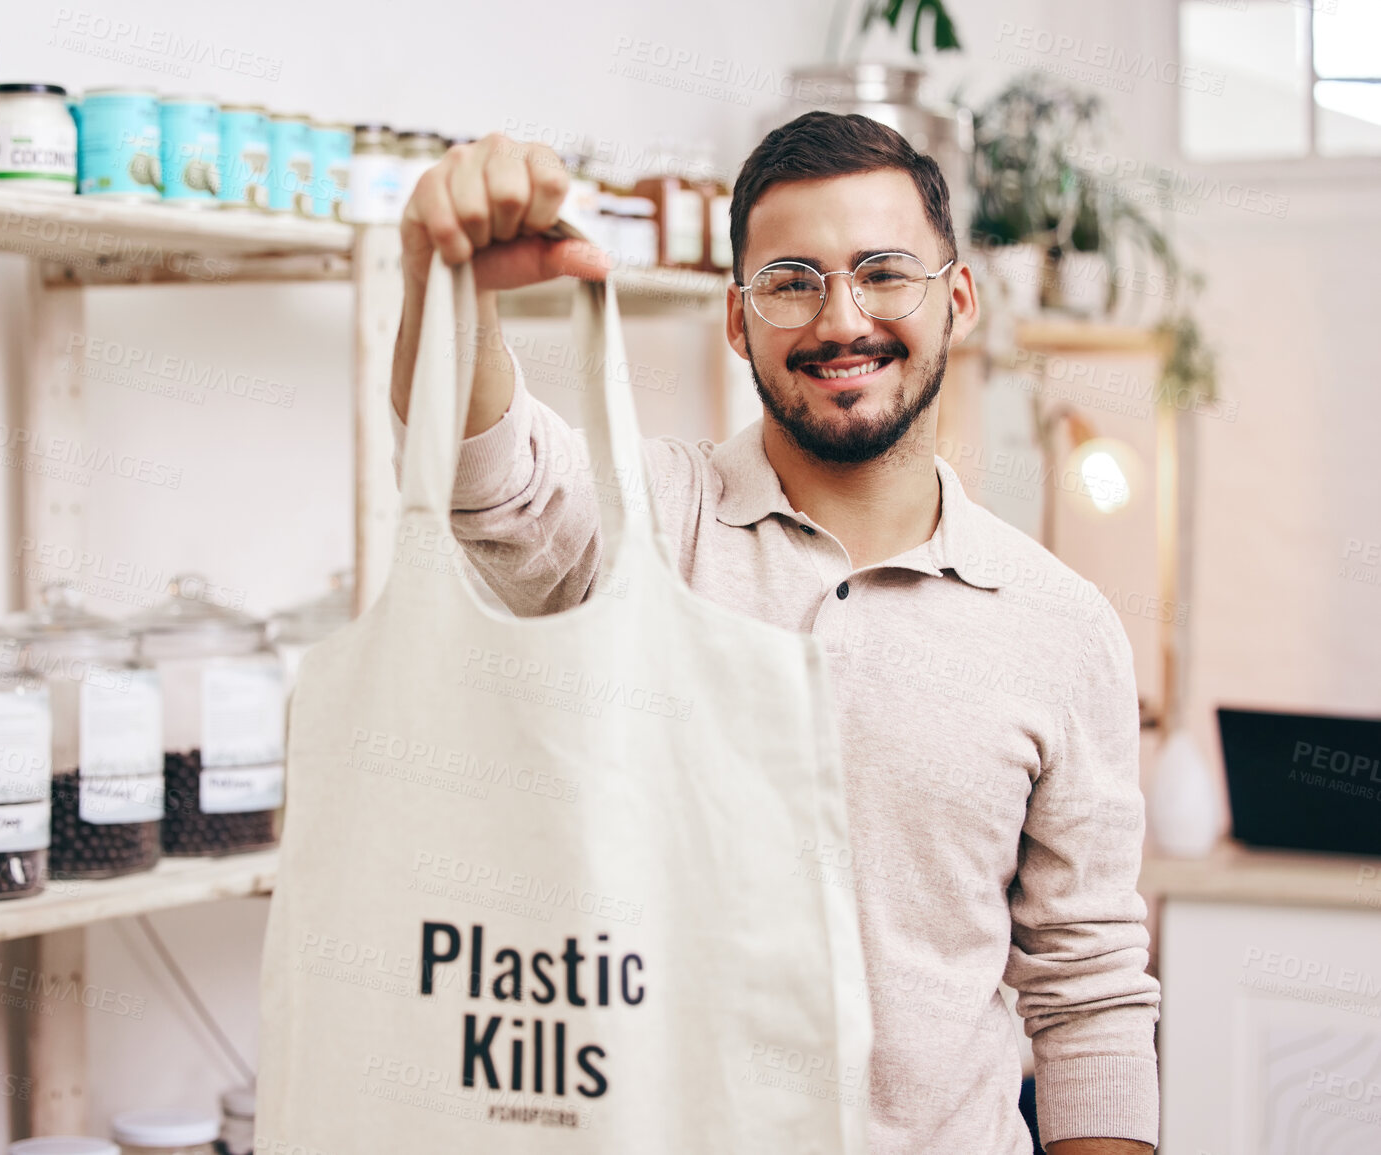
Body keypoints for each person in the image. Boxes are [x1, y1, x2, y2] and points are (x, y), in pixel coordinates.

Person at [391, 111, 1160, 1155]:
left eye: (884, 272)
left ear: (960, 301)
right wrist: (444, 285)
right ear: (738, 320)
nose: (842, 319)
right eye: (793, 281)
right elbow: (485, 485)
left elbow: (1090, 994)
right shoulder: (649, 519)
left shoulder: (1065, 630)